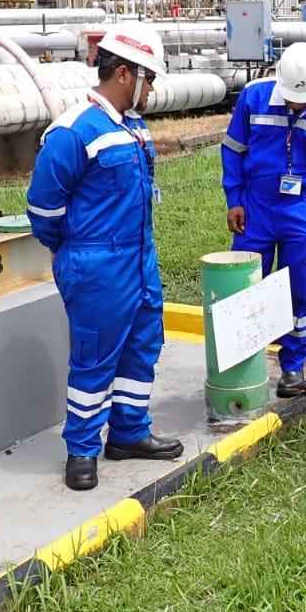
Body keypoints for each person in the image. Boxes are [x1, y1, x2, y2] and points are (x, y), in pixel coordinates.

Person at [26, 25, 184, 491]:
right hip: (97, 267)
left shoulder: (132, 127)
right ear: (124, 74)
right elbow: (43, 210)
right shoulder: (73, 132)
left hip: (139, 261)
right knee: (94, 359)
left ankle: (129, 432)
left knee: (142, 347)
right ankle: (82, 450)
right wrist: (77, 252)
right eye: (148, 79)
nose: (150, 90)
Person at [221, 41, 306, 397]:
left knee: (299, 287)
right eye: (292, 98)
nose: (296, 106)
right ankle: (242, 367)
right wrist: (234, 200)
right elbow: (233, 149)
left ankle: (293, 367)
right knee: (245, 285)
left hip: (299, 213)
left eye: (302, 101)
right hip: (254, 209)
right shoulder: (254, 96)